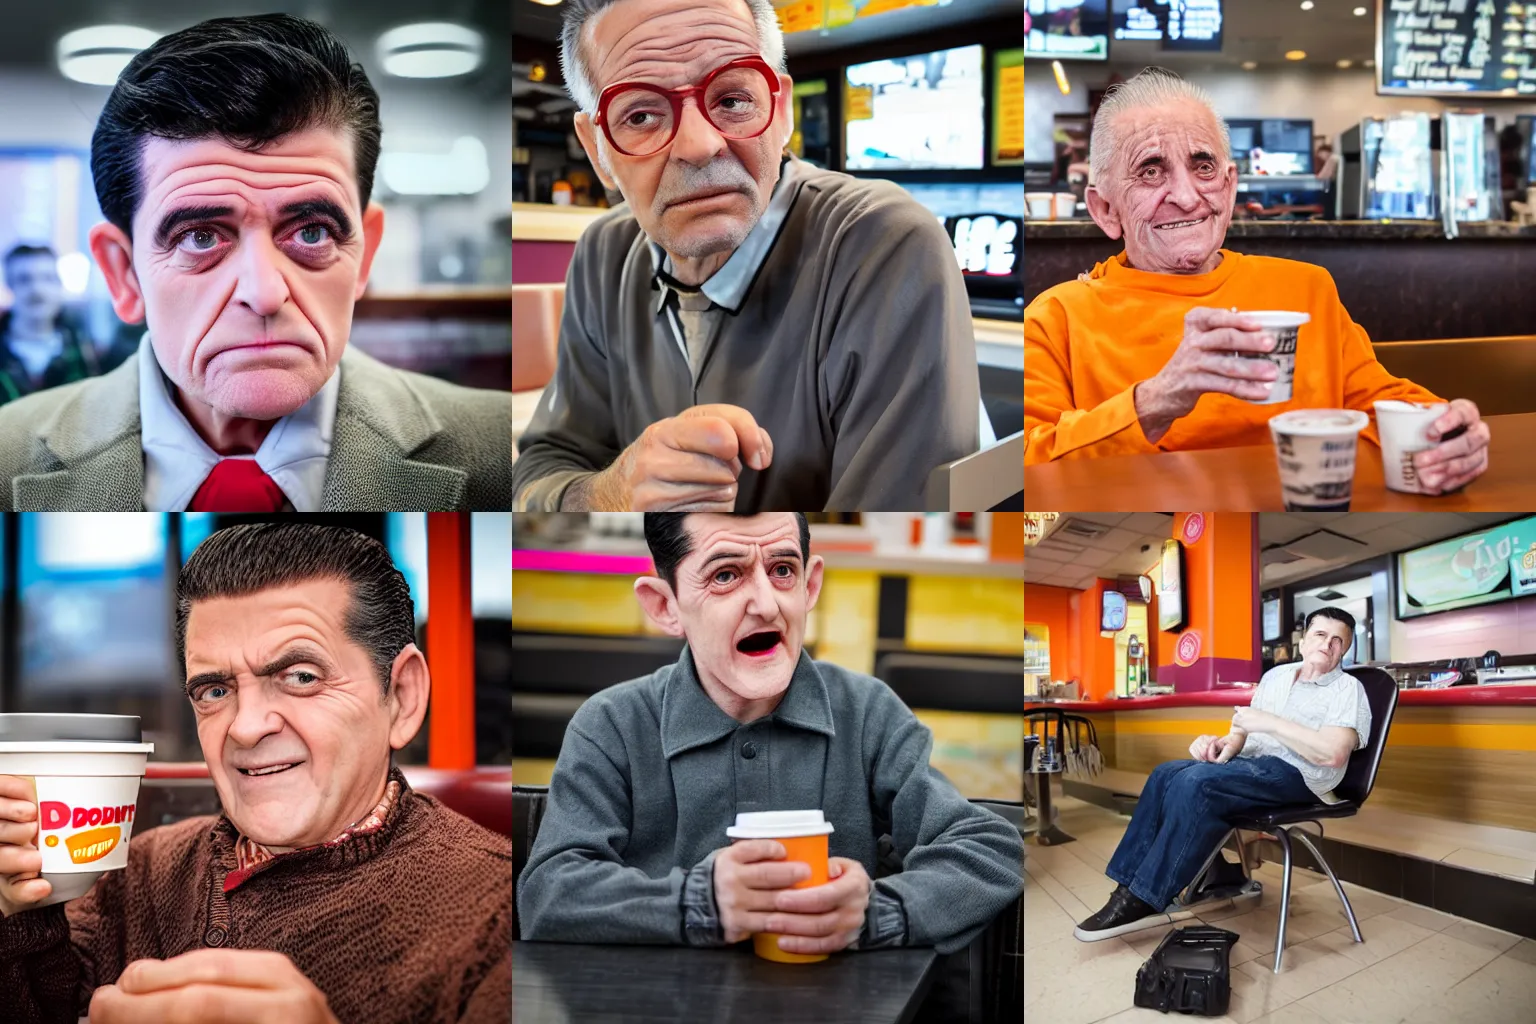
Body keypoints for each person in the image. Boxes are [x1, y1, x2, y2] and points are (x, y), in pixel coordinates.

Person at [0, 523, 510, 1022]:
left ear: (401, 698)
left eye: (301, 677)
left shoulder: (498, 911)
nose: (245, 728)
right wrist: (13, 912)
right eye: (215, 691)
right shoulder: (138, 875)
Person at [0, 15, 510, 511]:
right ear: (123, 273)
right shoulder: (9, 456)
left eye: (312, 231)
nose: (265, 292)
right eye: (200, 236)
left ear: (364, 252)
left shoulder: (500, 450)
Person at [511, 0, 981, 512]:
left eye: (732, 99)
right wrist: (611, 493)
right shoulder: (604, 253)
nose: (699, 143)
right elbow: (540, 469)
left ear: (781, 113)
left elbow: (894, 538)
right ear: (597, 148)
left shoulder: (880, 244)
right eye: (641, 114)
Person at [517, 512, 1022, 956]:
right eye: (725, 575)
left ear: (809, 586)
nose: (765, 604)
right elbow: (547, 894)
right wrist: (700, 902)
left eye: (783, 570)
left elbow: (991, 848)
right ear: (665, 606)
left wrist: (878, 913)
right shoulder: (610, 725)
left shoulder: (867, 713)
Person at [1024, 69, 1490, 497]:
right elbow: (1028, 470)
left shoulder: (1306, 290)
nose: (1186, 198)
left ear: (1228, 189)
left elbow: (1381, 407)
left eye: (1203, 167)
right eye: (1150, 171)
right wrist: (1155, 401)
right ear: (1105, 209)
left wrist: (1450, 435)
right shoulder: (1056, 319)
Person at [1074, 606, 1370, 941]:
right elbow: (1243, 733)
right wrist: (1218, 747)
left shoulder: (1348, 689)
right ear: (1303, 641)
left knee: (1197, 784)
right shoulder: (1276, 677)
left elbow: (1332, 754)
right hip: (1253, 764)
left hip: (1300, 775)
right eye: (1320, 635)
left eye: (1337, 641)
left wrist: (1270, 724)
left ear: (1344, 649)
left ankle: (1144, 895)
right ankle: (1127, 885)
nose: (1327, 644)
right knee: (1166, 773)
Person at [0, 245, 110, 403]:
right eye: (24, 279)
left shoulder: (88, 353)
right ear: (9, 286)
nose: (37, 289)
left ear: (59, 284)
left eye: (47, 278)